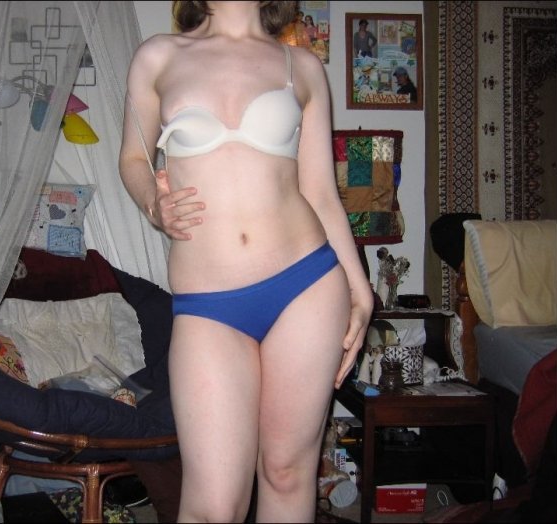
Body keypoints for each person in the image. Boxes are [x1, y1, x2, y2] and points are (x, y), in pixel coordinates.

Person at [119, 1, 373, 522]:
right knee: (213, 507)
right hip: (208, 305)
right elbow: (133, 158)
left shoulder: (301, 66)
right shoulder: (158, 56)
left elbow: (321, 193)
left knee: (286, 474)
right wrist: (152, 203)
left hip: (305, 285)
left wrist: (360, 288)